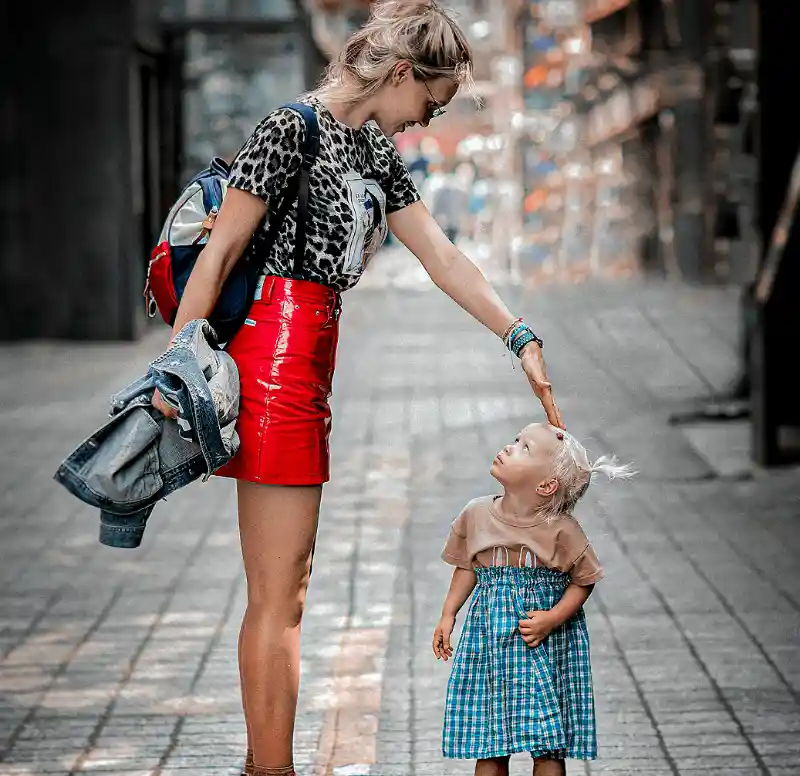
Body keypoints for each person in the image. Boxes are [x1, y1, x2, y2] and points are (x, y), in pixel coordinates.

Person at [152, 2, 563, 775]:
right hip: (273, 363)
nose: (424, 121)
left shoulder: (371, 149)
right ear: (403, 73)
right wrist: (174, 368)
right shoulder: (291, 128)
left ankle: (263, 764)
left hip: (309, 365)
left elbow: (441, 257)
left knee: (288, 592)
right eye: (430, 104)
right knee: (281, 595)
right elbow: (222, 251)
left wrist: (520, 336)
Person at [433, 423, 634, 776]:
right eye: (515, 441)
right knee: (490, 743)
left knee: (547, 746)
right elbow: (468, 566)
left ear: (546, 485)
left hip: (542, 644)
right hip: (490, 646)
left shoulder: (561, 529)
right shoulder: (476, 514)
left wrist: (552, 618)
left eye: (524, 448)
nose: (509, 448)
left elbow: (583, 580)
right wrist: (449, 614)